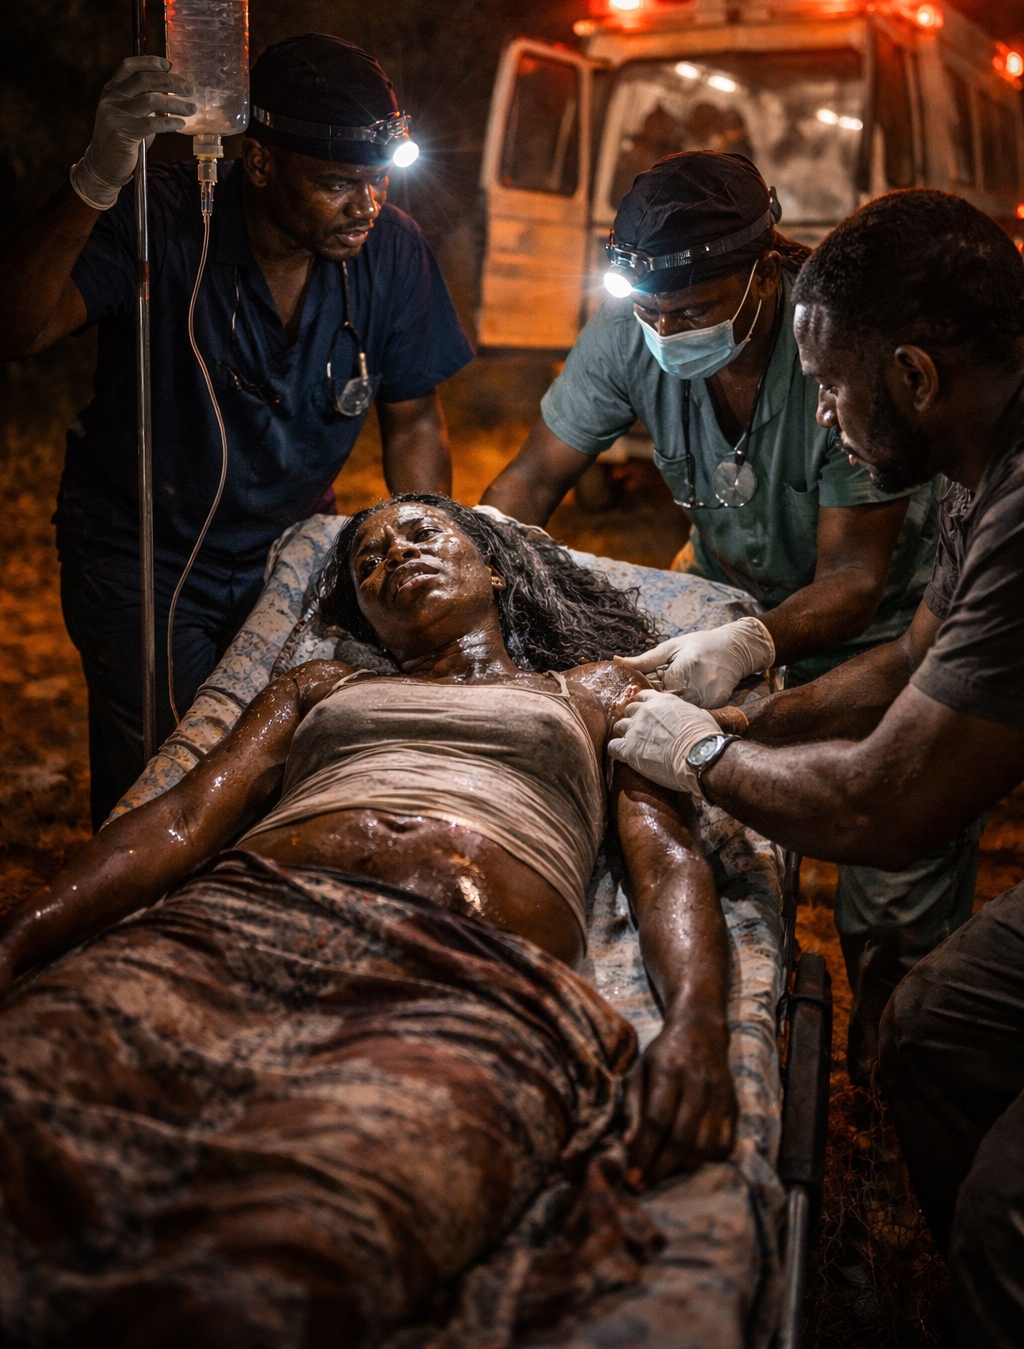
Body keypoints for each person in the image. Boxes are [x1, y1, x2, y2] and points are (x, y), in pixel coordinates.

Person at [0, 495, 736, 1349]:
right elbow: (182, 818)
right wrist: (15, 942)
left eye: (423, 534)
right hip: (237, 930)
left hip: (467, 981)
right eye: (369, 561)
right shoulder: (320, 686)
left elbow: (665, 861)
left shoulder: (595, 692)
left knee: (302, 1247)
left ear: (495, 569)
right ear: (362, 613)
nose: (397, 556)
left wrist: (696, 1028)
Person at [607, 189, 1024, 1349]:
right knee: (932, 1032)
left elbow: (884, 806)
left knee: (1007, 1216)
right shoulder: (979, 468)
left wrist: (698, 755)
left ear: (914, 377)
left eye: (832, 390)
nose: (824, 420)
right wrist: (748, 697)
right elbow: (910, 659)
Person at [483, 150, 948, 1083]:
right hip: (721, 595)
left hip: (886, 628)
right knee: (687, 812)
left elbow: (853, 579)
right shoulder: (630, 333)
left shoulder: (838, 347)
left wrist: (751, 642)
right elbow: (532, 480)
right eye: (650, 311)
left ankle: (891, 1083)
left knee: (892, 902)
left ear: (765, 271)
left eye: (693, 310)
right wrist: (479, 552)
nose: (666, 331)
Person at [0, 34, 473, 828]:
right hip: (142, 549)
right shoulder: (160, 217)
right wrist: (97, 176)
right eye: (336, 184)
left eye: (378, 180)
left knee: (280, 758)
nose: (366, 205)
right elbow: (18, 328)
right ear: (257, 162)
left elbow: (414, 418)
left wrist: (433, 545)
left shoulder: (391, 252)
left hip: (289, 553)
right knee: (168, 774)